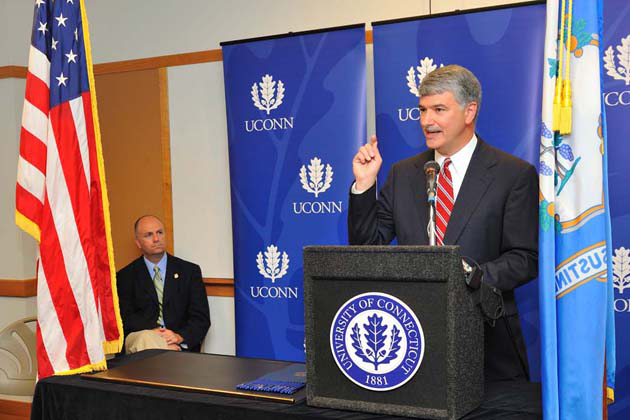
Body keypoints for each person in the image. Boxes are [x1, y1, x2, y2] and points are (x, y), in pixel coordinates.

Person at [348, 65, 538, 381]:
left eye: (438, 109)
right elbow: (367, 248)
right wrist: (364, 185)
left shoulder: (513, 174)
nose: (426, 121)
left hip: (486, 344)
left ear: (469, 111)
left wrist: (469, 275)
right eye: (422, 110)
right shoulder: (402, 174)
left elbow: (525, 258)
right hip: (412, 346)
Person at [117, 215, 210, 353]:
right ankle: (167, 351)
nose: (156, 239)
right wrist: (157, 336)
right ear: (138, 243)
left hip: (178, 342)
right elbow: (124, 320)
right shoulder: (125, 276)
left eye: (159, 233)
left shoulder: (189, 271)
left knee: (154, 347)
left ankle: (166, 352)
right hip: (140, 339)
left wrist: (179, 337)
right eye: (149, 235)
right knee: (146, 338)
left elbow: (201, 318)